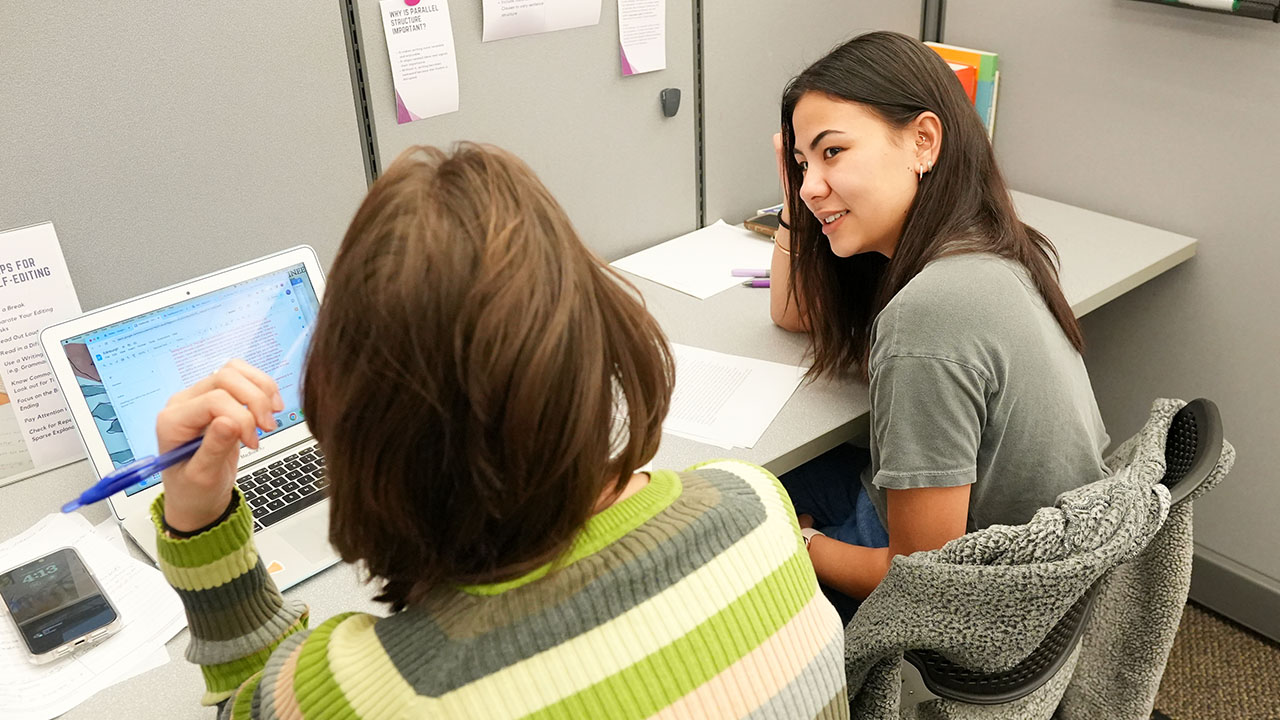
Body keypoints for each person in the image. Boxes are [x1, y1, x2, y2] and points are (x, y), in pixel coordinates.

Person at [150, 143, 849, 719]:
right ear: (598, 340)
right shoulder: (754, 505)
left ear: (360, 429)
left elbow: (246, 703)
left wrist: (197, 520)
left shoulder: (363, 694)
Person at [768, 31, 1110, 610]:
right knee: (768, 482)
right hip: (1037, 562)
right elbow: (792, 313)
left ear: (923, 141)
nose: (809, 187)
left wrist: (795, 544)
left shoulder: (929, 313)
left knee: (728, 515)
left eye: (833, 152)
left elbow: (924, 580)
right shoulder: (985, 241)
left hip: (984, 598)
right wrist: (800, 200)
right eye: (801, 164)